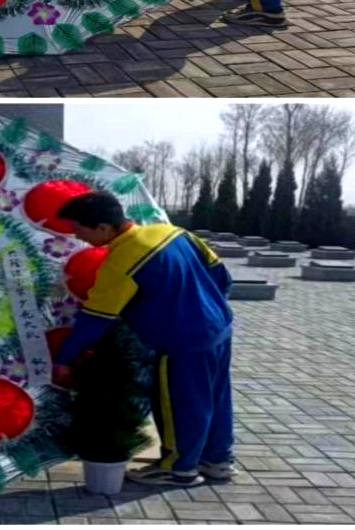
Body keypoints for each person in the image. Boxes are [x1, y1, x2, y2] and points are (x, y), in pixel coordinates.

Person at [51, 191, 235, 487]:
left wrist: (65, 359)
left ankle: (179, 468)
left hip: (182, 342)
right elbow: (220, 273)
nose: (77, 236)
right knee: (216, 397)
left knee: (180, 404)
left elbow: (96, 318)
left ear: (103, 228)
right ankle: (218, 461)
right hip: (219, 328)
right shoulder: (172, 231)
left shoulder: (122, 260)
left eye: (79, 229)